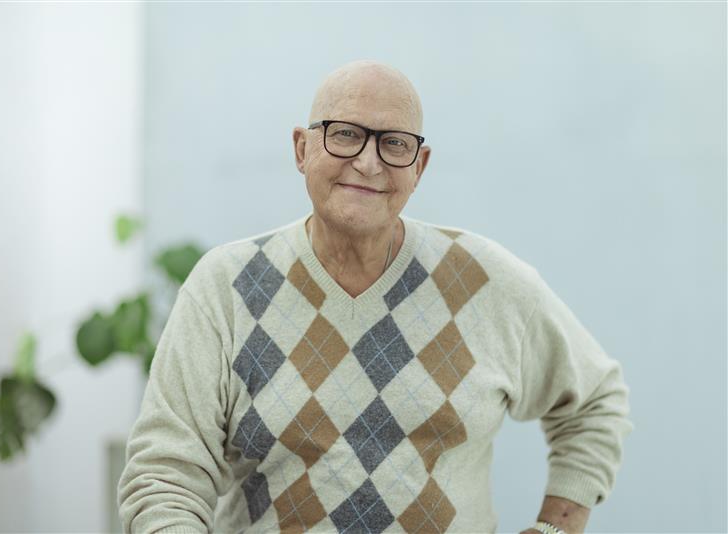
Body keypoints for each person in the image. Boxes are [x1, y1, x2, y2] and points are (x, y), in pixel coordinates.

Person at [117, 60, 633, 534]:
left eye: (394, 143)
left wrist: (557, 526)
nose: (368, 162)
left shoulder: (485, 282)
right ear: (301, 148)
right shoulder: (226, 287)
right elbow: (165, 474)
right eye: (344, 135)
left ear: (420, 165)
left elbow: (595, 398)